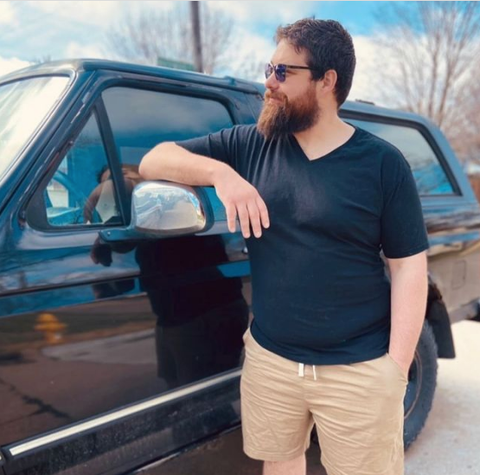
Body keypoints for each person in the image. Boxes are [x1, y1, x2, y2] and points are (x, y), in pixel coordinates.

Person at [139, 18, 429, 475]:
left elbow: (409, 267)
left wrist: (393, 370)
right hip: (272, 360)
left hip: (358, 368)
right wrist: (221, 174)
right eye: (268, 67)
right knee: (280, 464)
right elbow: (154, 158)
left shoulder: (382, 164)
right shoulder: (252, 145)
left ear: (327, 80)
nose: (268, 83)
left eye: (282, 72)